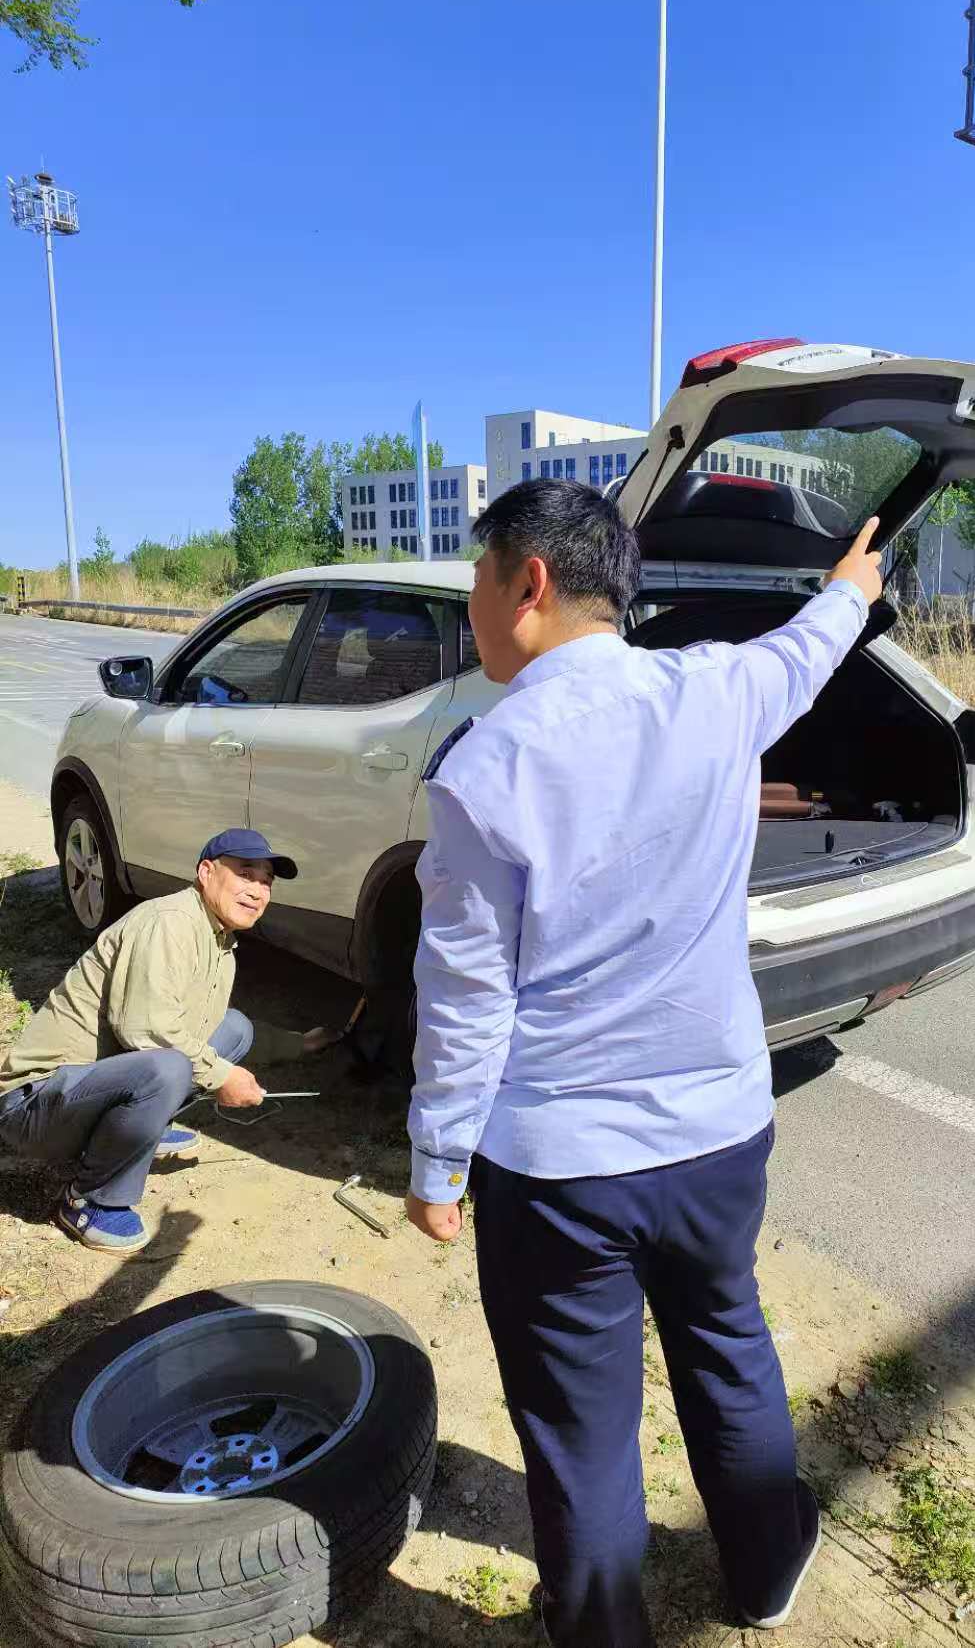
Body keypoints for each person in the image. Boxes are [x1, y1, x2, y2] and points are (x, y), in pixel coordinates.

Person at [405, 476, 883, 1647]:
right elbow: (807, 652)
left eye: (476, 582)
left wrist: (437, 1162)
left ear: (527, 582)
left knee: (581, 1431)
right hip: (718, 1136)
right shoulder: (713, 690)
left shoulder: (485, 766)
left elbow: (466, 998)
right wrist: (848, 588)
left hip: (562, 1169)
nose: (471, 608)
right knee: (727, 1346)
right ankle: (765, 1570)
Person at [0, 828, 338, 1255]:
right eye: (245, 874)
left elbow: (206, 1025)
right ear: (206, 872)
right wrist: (222, 1077)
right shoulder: (169, 922)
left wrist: (298, 1044)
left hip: (86, 1088)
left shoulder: (217, 938)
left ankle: (134, 1133)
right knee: (169, 1066)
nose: (257, 891)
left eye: (266, 881)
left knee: (233, 1029)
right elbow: (145, 1030)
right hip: (34, 1105)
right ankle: (90, 1199)